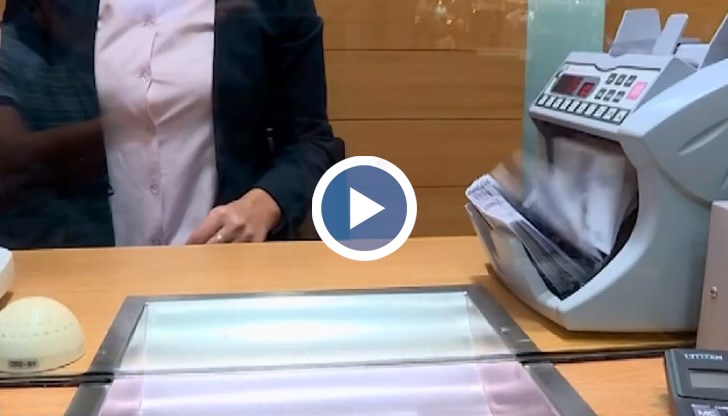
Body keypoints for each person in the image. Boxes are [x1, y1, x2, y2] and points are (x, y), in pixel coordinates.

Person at [0, 0, 344, 250]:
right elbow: (16, 152)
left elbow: (311, 142)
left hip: (227, 265)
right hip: (84, 266)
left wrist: (264, 204)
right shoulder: (48, 6)